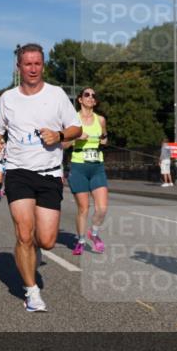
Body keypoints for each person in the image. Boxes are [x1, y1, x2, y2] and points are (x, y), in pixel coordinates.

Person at [0, 43, 82, 312]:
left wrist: (60, 135)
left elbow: (76, 127)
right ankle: (32, 291)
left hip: (50, 173)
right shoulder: (8, 99)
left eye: (37, 63)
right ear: (19, 67)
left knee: (48, 240)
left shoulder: (56, 95)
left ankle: (33, 253)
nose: (32, 68)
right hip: (18, 172)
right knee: (24, 234)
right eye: (27, 64)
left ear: (43, 65)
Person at [63, 87, 109, 255]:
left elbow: (105, 138)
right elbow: (63, 145)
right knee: (84, 208)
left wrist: (103, 139)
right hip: (78, 166)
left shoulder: (101, 120)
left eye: (93, 96)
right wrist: (75, 137)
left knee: (102, 208)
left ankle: (94, 233)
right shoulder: (72, 120)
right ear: (80, 99)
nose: (90, 97)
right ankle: (81, 241)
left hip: (97, 167)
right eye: (87, 95)